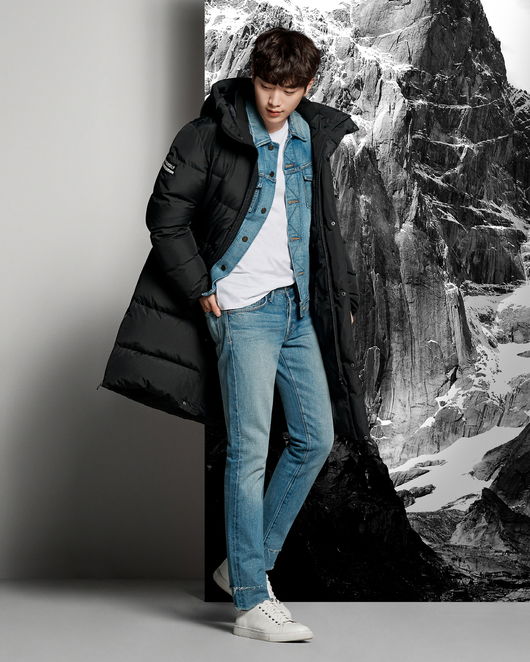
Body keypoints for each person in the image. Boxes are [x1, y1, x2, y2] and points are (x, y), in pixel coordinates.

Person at [99, 25, 370, 643]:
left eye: (289, 89)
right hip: (241, 311)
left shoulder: (309, 139)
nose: (275, 99)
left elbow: (321, 229)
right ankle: (250, 603)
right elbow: (165, 216)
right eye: (268, 84)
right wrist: (202, 286)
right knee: (248, 452)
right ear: (254, 76)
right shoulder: (207, 135)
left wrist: (337, 301)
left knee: (315, 439)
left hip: (296, 309)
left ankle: (242, 567)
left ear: (307, 87)